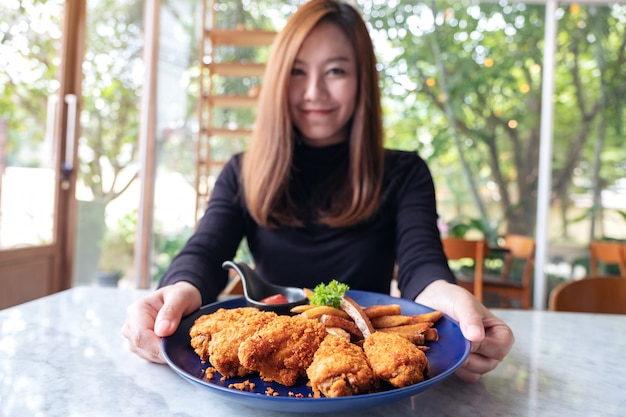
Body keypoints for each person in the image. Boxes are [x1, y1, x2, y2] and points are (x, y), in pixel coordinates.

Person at [122, 0, 514, 383]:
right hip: (269, 366)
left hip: (369, 371)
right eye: (297, 71)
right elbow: (206, 252)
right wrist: (176, 292)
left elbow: (421, 266)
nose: (314, 91)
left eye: (336, 71)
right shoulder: (243, 171)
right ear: (277, 80)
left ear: (362, 79)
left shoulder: (404, 172)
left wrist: (452, 302)